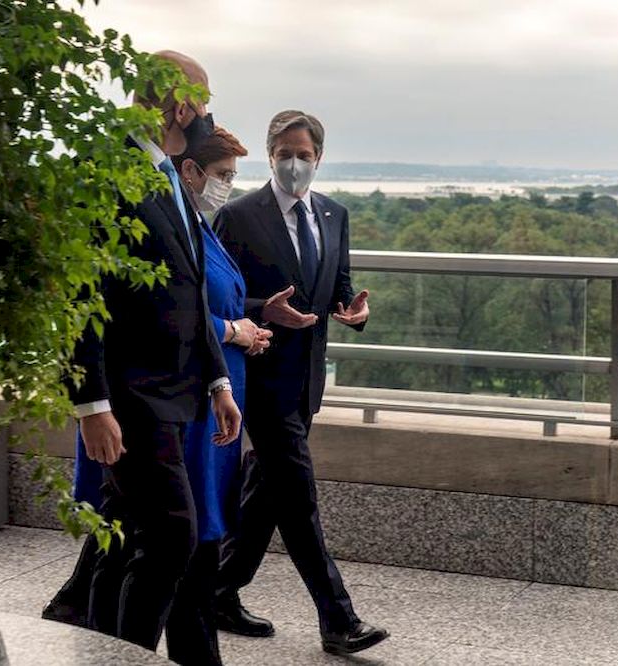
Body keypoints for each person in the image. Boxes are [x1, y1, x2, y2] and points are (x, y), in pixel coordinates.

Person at [43, 50, 242, 654]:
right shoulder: (105, 168)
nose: (208, 114)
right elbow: (81, 294)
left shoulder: (167, 172)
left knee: (126, 538)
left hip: (177, 392)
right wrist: (91, 405)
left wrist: (217, 384)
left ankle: (106, 650)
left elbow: (185, 286)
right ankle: (128, 655)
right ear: (181, 104)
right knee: (175, 536)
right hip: (132, 396)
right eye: (204, 101)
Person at [214, 110, 388, 655]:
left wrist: (353, 311)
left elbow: (339, 286)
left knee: (267, 493)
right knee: (297, 494)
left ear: (319, 158)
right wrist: (264, 309)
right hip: (261, 377)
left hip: (307, 381)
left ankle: (219, 591)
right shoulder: (239, 216)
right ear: (270, 155)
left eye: (305, 155)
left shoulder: (334, 215)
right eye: (286, 153)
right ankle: (338, 618)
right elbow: (213, 297)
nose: (295, 164)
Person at [164, 126, 271, 666]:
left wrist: (255, 318)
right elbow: (172, 312)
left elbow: (218, 300)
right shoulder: (179, 229)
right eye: (223, 175)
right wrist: (235, 331)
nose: (228, 186)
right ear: (191, 172)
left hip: (220, 395)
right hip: (196, 399)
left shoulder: (200, 230)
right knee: (192, 538)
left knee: (196, 534)